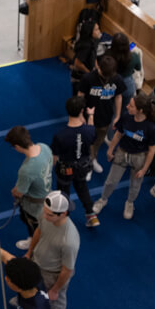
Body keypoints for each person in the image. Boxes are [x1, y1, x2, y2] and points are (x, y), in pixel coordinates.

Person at [93, 93, 155, 220]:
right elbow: (118, 134)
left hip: (139, 157)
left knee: (135, 184)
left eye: (131, 105)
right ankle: (103, 199)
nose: (127, 107)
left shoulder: (151, 128)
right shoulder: (126, 117)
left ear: (140, 110)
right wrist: (110, 150)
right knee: (111, 181)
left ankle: (130, 203)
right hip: (122, 152)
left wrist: (144, 169)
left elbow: (152, 150)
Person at [51, 96, 100, 227]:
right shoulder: (89, 131)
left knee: (63, 193)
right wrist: (90, 116)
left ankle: (63, 219)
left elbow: (54, 157)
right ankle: (91, 215)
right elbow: (91, 132)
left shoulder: (60, 135)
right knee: (82, 188)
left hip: (65, 169)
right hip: (83, 166)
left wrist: (49, 170)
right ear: (81, 111)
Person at [76, 54, 126, 174]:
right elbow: (80, 96)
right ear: (98, 67)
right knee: (87, 141)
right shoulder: (88, 78)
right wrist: (80, 114)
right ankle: (87, 163)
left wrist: (118, 115)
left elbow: (118, 96)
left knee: (98, 141)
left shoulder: (116, 79)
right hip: (89, 117)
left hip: (105, 117)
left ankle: (92, 159)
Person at [6, 126, 53, 251]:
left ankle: (34, 244)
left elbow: (19, 192)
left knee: (33, 225)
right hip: (48, 194)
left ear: (17, 146)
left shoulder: (26, 169)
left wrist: (14, 191)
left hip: (34, 206)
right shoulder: (44, 147)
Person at [107, 32, 141, 102]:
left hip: (111, 84)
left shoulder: (107, 55)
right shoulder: (134, 56)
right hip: (128, 85)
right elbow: (138, 68)